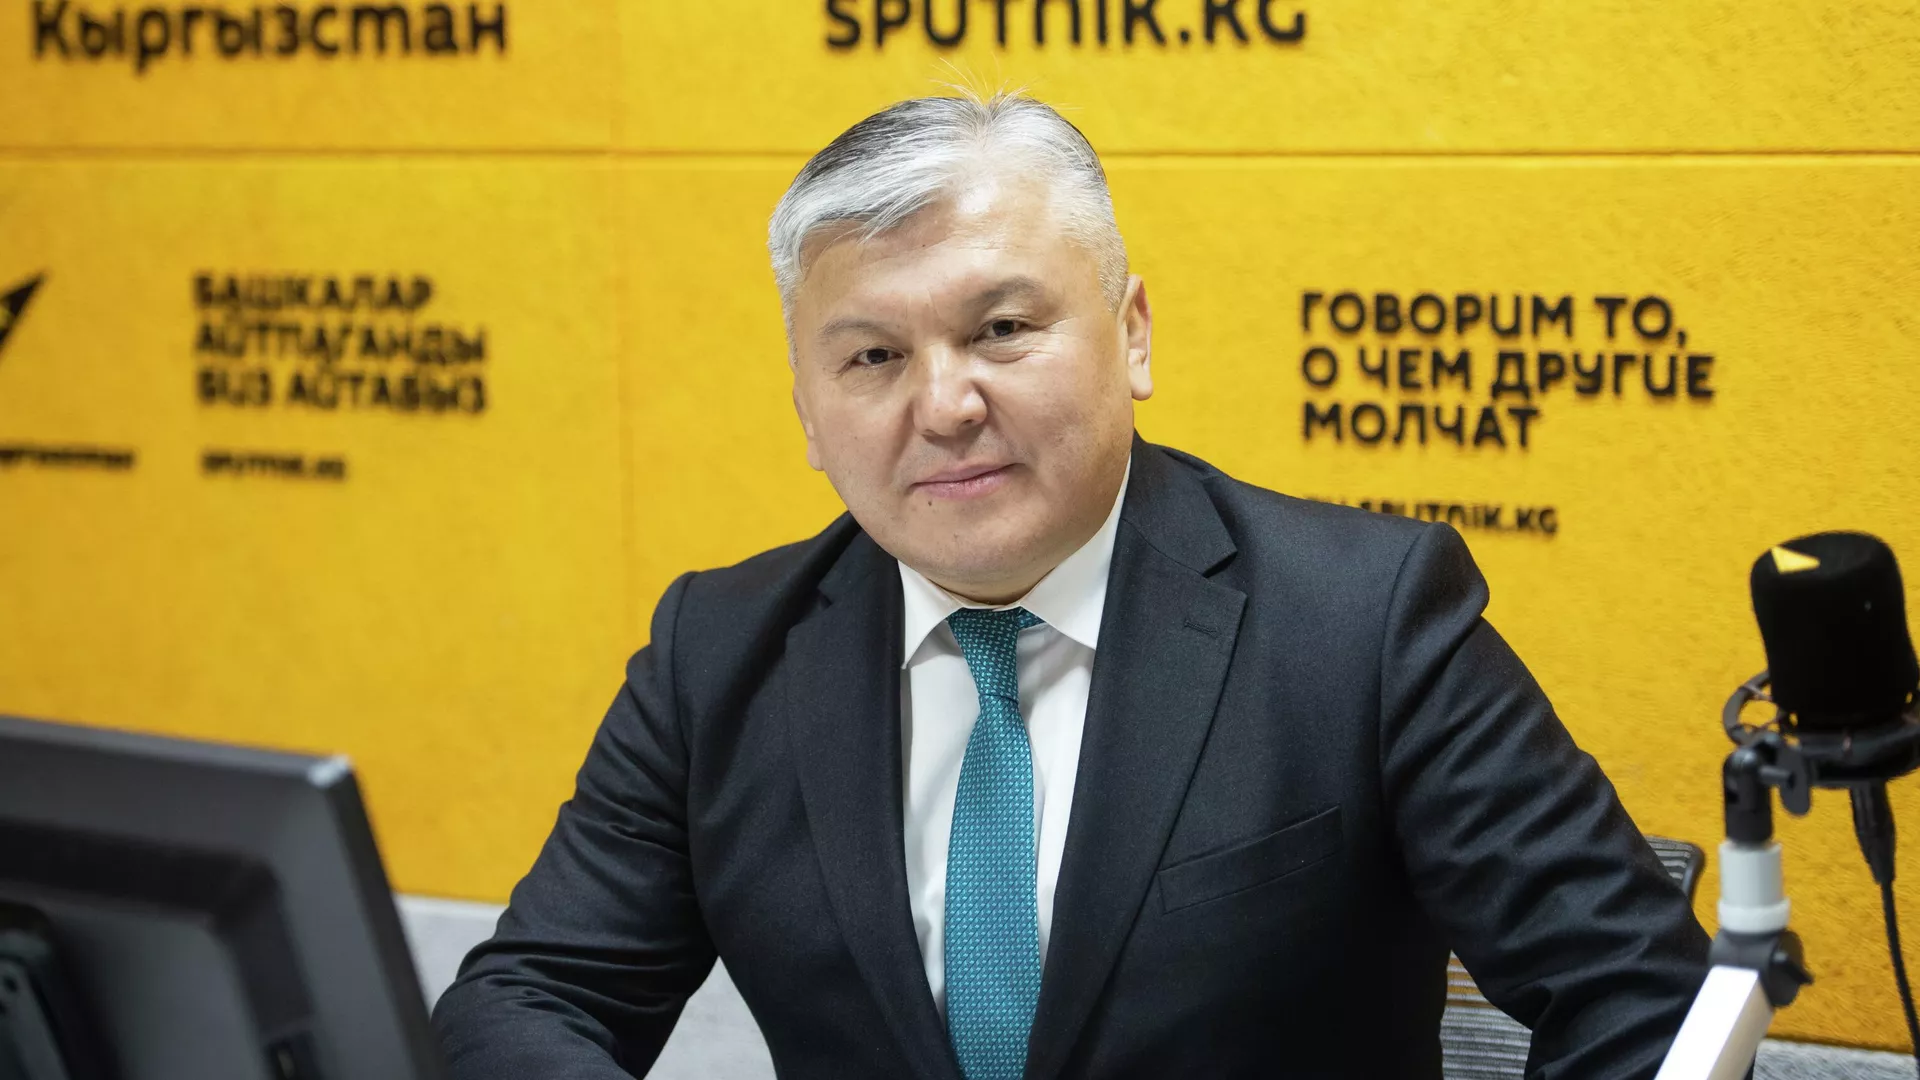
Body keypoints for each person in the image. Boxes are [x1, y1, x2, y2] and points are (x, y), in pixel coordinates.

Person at [431, 92, 1709, 1080]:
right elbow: (525, 999)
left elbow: (1643, 998)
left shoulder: (1362, 622)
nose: (944, 405)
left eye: (1001, 329)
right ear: (809, 412)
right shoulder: (717, 655)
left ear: (1131, 334)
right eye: (873, 356)